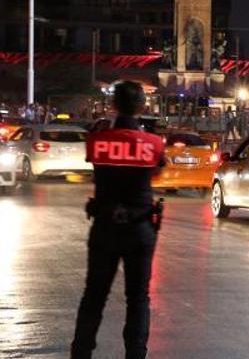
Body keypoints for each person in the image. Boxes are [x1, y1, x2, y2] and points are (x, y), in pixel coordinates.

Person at [70, 81, 166, 359]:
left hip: (104, 227)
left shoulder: (98, 140)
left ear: (113, 105)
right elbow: (157, 173)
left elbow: (95, 164)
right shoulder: (153, 143)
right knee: (137, 299)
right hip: (140, 229)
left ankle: (81, 353)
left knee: (94, 297)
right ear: (142, 106)